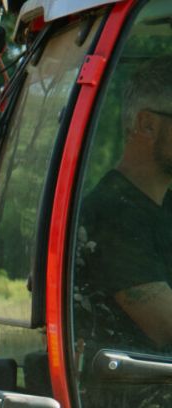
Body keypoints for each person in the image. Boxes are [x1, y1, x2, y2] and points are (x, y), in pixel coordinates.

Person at [78, 55, 172, 355]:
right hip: (140, 399)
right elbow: (165, 325)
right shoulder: (112, 214)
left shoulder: (164, 204)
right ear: (147, 125)